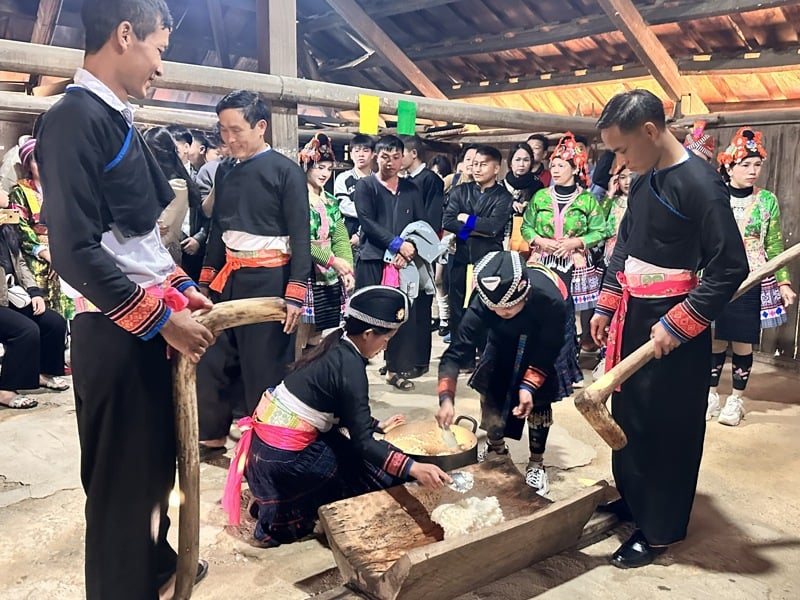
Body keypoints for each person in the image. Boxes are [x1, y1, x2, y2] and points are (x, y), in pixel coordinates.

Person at [35, 1, 216, 597]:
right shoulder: (71, 120)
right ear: (124, 35)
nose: (161, 66)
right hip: (114, 334)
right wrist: (162, 320)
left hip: (142, 326)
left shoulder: (116, 119)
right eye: (160, 48)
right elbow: (75, 253)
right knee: (120, 488)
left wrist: (184, 290)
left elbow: (140, 243)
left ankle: (154, 567)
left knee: (151, 472)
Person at [590, 89, 748, 568]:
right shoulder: (643, 177)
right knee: (632, 412)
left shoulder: (699, 183)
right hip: (634, 315)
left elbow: (729, 266)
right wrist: (607, 300)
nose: (618, 161)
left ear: (651, 132)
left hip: (677, 325)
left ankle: (660, 528)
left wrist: (680, 324)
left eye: (621, 149)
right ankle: (636, 498)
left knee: (669, 427)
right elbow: (624, 246)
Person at [222, 286, 451, 546]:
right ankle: (283, 518)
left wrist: (376, 425)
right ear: (368, 334)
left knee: (373, 456)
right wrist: (415, 467)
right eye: (386, 339)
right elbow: (363, 442)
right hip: (284, 462)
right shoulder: (350, 366)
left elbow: (337, 409)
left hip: (265, 452)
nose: (386, 346)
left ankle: (275, 501)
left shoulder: (335, 345)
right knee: (368, 475)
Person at [197, 89, 311, 455]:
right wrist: (204, 282)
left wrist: (295, 291)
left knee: (262, 365)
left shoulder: (286, 171)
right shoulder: (225, 171)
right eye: (223, 132)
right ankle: (212, 433)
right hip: (228, 277)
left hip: (270, 280)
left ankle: (263, 445)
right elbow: (218, 230)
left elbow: (301, 236)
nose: (228, 140)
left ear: (261, 126)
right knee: (213, 357)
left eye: (236, 130)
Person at [437, 251, 568, 495]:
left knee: (539, 399)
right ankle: (497, 449)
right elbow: (456, 352)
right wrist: (446, 398)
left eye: (507, 309)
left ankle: (536, 464)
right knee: (491, 384)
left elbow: (548, 349)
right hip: (502, 337)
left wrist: (529, 385)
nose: (501, 313)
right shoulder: (484, 300)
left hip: (544, 336)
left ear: (524, 292)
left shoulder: (550, 300)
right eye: (494, 309)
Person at [708, 127, 796, 426]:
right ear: (728, 166)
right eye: (745, 164)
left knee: (743, 342)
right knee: (715, 341)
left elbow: (773, 244)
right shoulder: (715, 196)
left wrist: (783, 281)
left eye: (757, 165)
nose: (753, 170)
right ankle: (710, 395)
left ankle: (735, 400)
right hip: (717, 275)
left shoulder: (767, 201)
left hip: (752, 280)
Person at [521, 132, 606, 378]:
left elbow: (600, 230)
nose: (555, 170)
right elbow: (527, 225)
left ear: (575, 168)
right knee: (539, 311)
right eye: (553, 166)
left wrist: (576, 242)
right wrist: (540, 240)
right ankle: (537, 365)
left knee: (566, 313)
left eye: (561, 166)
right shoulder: (540, 197)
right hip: (543, 262)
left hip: (572, 265)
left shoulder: (587, 200)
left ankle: (564, 367)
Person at [352, 135, 426, 391]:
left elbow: (421, 224)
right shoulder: (366, 187)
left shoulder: (411, 189)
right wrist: (396, 244)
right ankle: (356, 368)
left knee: (400, 315)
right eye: (385, 157)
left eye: (396, 157)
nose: (391, 162)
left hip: (403, 262)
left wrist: (410, 249)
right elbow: (367, 222)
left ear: (403, 158)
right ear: (376, 156)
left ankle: (395, 369)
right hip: (372, 258)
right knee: (365, 316)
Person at [443, 145, 513, 369]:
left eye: (483, 164)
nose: (477, 168)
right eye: (475, 164)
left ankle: (485, 355)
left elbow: (493, 227)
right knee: (457, 307)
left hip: (488, 260)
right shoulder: (459, 191)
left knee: (486, 307)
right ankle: (460, 356)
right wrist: (471, 225)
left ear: (496, 168)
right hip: (461, 257)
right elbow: (448, 221)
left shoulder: (503, 196)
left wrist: (467, 219)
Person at [0, 222, 69, 408]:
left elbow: (20, 263)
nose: (5, 196)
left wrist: (34, 292)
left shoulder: (6, 227)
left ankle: (42, 373)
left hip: (12, 295)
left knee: (53, 322)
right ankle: (5, 390)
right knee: (25, 330)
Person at [297, 133, 354, 354]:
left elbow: (340, 236)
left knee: (320, 332)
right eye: (320, 167)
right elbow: (300, 239)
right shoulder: (297, 198)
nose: (324, 174)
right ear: (307, 166)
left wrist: (347, 268)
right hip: (305, 270)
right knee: (301, 328)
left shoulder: (330, 200)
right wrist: (332, 261)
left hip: (329, 272)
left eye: (329, 169)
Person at [7, 138, 74, 319]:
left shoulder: (64, 192)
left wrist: (61, 253)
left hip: (64, 253)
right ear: (28, 165)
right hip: (34, 254)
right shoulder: (20, 192)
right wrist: (47, 254)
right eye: (37, 160)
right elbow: (20, 229)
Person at [400, 134, 445, 378]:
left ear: (413, 154)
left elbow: (431, 220)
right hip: (401, 252)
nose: (397, 159)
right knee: (403, 305)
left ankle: (419, 361)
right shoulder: (402, 180)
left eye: (401, 154)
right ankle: (400, 359)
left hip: (421, 251)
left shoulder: (431, 181)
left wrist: (414, 245)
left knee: (421, 306)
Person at [143, 126, 201, 265]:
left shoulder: (177, 185)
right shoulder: (153, 180)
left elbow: (162, 226)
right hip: (149, 254)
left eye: (148, 152)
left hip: (162, 256)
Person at [334, 133, 375, 247]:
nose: (361, 155)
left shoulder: (378, 180)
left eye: (365, 151)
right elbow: (343, 206)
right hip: (347, 234)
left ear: (373, 154)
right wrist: (368, 213)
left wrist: (361, 233)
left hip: (373, 236)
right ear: (351, 154)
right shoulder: (343, 178)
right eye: (357, 151)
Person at [503, 142, 544, 253]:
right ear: (510, 162)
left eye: (526, 160)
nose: (521, 164)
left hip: (529, 241)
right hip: (503, 238)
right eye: (517, 160)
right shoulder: (501, 185)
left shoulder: (538, 186)